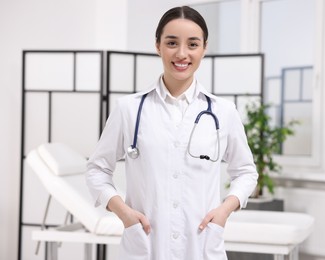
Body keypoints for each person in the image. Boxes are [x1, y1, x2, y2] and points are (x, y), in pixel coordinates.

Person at [86, 6, 258, 260]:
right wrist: (122, 211)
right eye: (171, 43)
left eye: (192, 44)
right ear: (157, 46)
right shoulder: (129, 109)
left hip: (201, 246)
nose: (182, 54)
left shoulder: (224, 112)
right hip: (146, 245)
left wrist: (225, 210)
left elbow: (246, 172)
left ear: (204, 48)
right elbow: (97, 169)